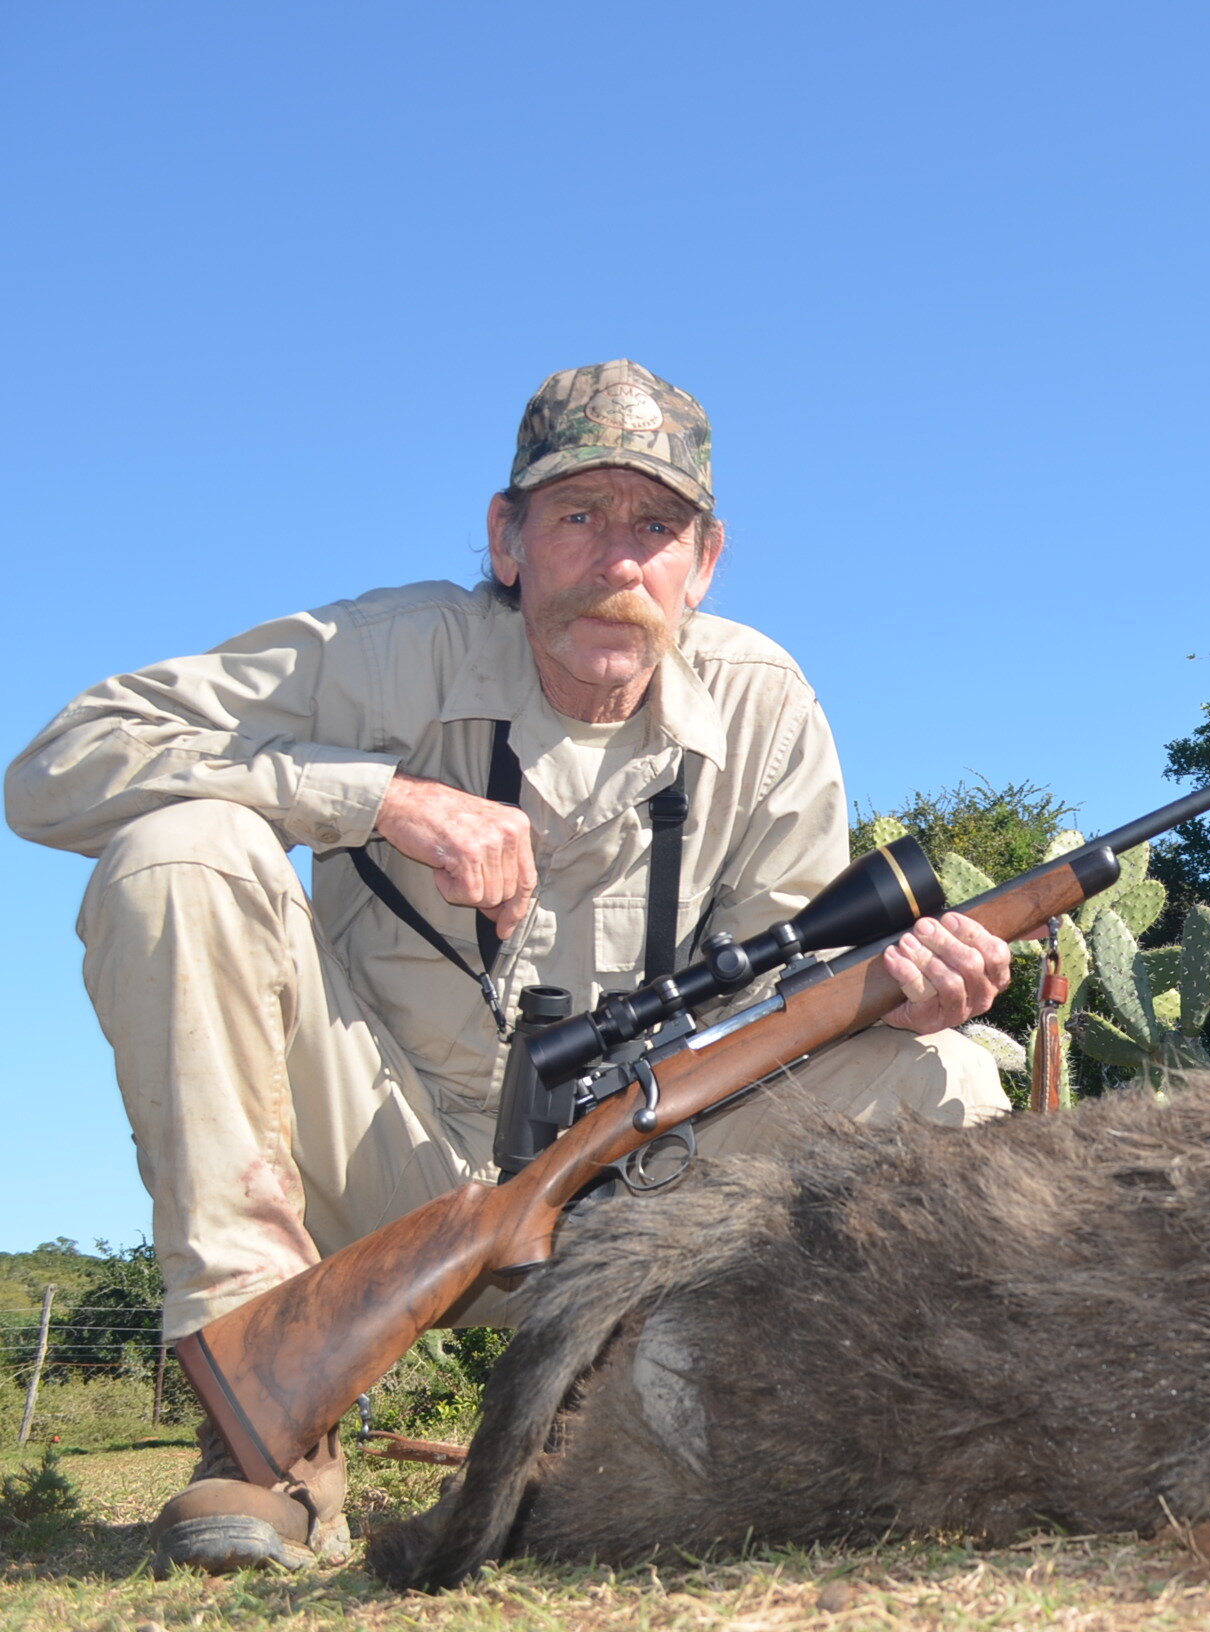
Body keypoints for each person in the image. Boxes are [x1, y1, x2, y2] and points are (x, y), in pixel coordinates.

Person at [5, 360, 1014, 1573]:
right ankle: (262, 1434)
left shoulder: (765, 702)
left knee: (940, 1076)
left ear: (705, 562)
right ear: (507, 537)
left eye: (657, 526)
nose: (617, 559)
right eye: (576, 515)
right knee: (177, 852)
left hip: (645, 1173)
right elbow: (59, 765)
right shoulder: (387, 652)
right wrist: (375, 799)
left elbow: (784, 992)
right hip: (379, 1159)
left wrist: (902, 1004)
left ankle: (914, 1437)